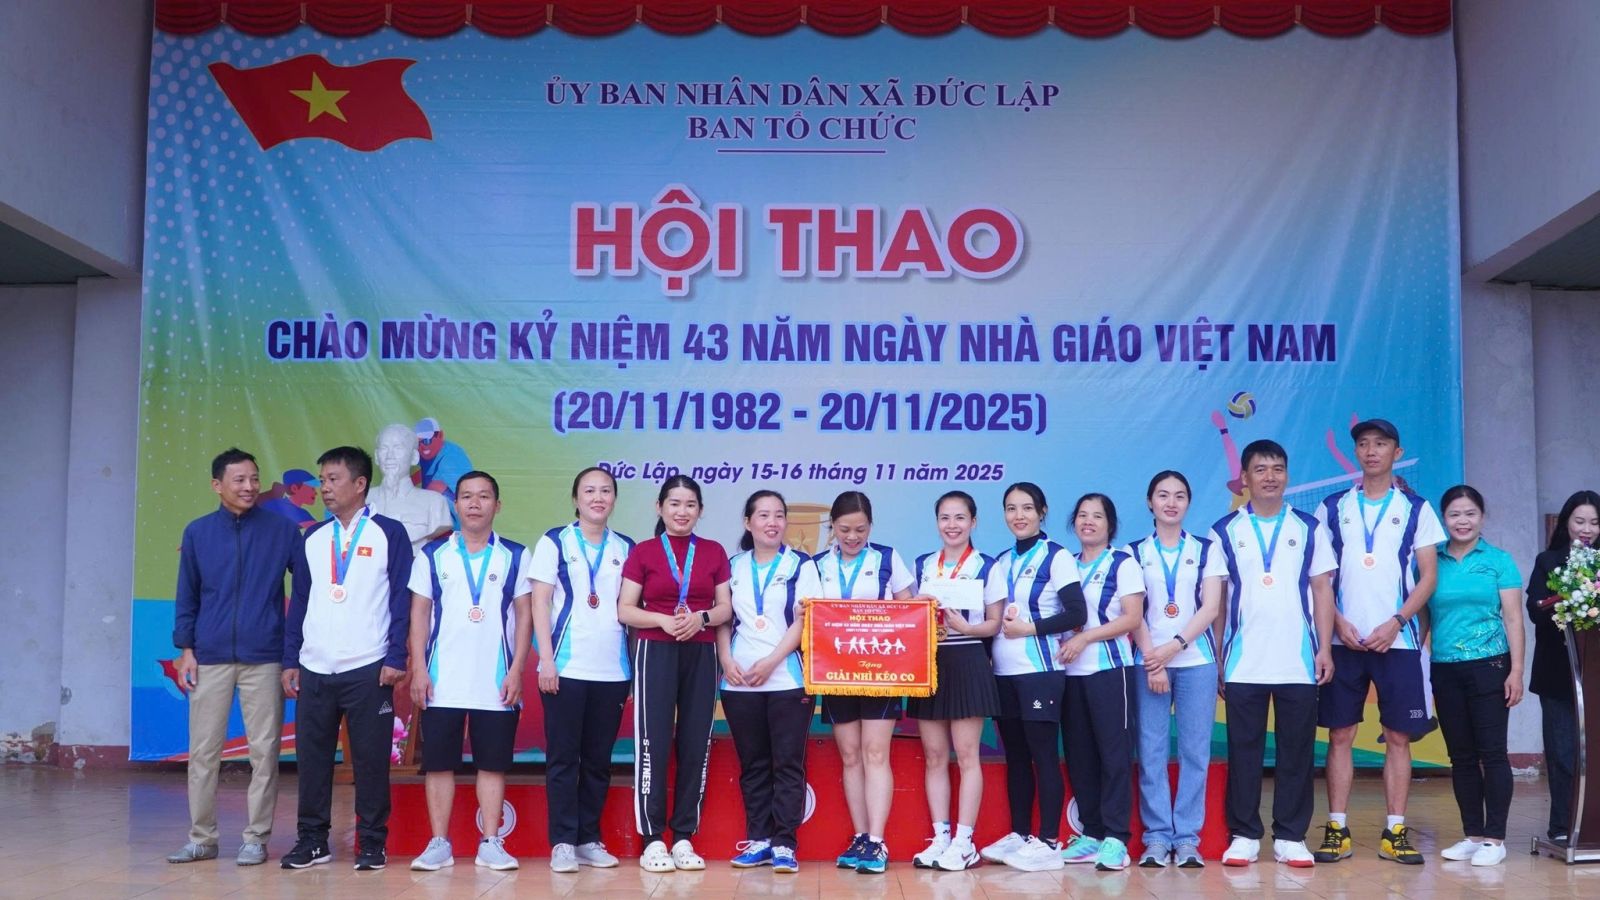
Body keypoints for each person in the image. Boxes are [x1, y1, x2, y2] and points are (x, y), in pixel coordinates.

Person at [1313, 419, 1444, 866]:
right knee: (1341, 734)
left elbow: (1428, 577)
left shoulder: (1416, 508)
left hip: (1398, 641)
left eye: (1381, 444)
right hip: (1343, 640)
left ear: (1396, 452)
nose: (1371, 451)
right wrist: (1337, 622)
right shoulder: (1332, 507)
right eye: (1364, 444)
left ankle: (1395, 832)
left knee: (1398, 736)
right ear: (1356, 452)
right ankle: (1337, 829)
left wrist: (1397, 621)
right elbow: (1320, 577)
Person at [280, 446, 412, 871]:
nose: (325, 487)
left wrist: (396, 655)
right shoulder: (313, 538)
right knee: (312, 759)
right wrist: (291, 659)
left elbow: (401, 599)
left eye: (333, 479)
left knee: (371, 761)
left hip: (368, 666)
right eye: (322, 480)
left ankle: (372, 842)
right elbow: (300, 602)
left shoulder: (389, 533)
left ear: (360, 484)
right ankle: (312, 841)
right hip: (315, 666)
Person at [166, 448, 299, 867]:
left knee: (265, 752)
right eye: (239, 479)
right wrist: (187, 650)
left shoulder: (282, 531)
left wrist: (291, 655)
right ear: (216, 485)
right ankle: (202, 838)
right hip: (210, 657)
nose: (249, 486)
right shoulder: (198, 533)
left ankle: (256, 838)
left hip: (266, 657)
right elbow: (187, 595)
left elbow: (306, 593)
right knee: (203, 752)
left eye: (254, 478)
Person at [1213, 439, 1336, 868]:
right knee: (1243, 751)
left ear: (1287, 476)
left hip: (1297, 660)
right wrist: (1219, 656)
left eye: (1277, 469)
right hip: (1243, 661)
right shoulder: (1225, 530)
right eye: (1260, 469)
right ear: (1244, 478)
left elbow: (1322, 590)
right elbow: (1218, 600)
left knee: (1296, 752)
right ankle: (1244, 834)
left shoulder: (1309, 527)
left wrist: (1325, 647)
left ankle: (1290, 836)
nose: (1270, 477)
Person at [405, 471, 533, 873]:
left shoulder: (515, 555)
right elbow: (419, 614)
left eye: (483, 496)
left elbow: (525, 616)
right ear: (456, 505)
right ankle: (439, 843)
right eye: (466, 496)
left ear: (498, 505)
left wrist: (517, 669)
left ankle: (490, 843)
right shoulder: (432, 555)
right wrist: (419, 668)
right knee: (439, 763)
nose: (475, 504)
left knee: (491, 763)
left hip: (495, 680)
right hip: (442, 680)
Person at [617, 475, 734, 873]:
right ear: (660, 507)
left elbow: (725, 608)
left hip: (701, 651)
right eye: (674, 503)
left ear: (700, 510)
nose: (682, 512)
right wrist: (662, 620)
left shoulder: (714, 551)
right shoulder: (644, 552)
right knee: (653, 742)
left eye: (690, 505)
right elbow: (625, 609)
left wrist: (701, 618)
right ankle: (652, 839)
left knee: (696, 742)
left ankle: (684, 836)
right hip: (655, 650)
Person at [530, 466, 635, 873]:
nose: (597, 498)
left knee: (598, 760)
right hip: (565, 668)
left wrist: (631, 672)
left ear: (614, 499)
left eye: (605, 491)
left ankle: (589, 838)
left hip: (612, 671)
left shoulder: (625, 547)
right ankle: (562, 842)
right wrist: (546, 659)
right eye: (589, 491)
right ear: (576, 499)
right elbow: (540, 602)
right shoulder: (555, 541)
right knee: (563, 758)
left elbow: (630, 611)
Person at [981, 482, 1086, 872]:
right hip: (1004, 673)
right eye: (1011, 508)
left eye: (1027, 508)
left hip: (1040, 672)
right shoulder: (999, 562)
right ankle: (1020, 834)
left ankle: (1049, 841)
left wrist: (1030, 629)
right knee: (1016, 757)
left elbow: (1076, 613)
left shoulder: (1057, 557)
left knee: (1043, 755)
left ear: (1042, 512)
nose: (1019, 516)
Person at [718, 490, 820, 875]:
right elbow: (723, 619)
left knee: (788, 764)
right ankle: (759, 839)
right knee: (753, 765)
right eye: (763, 515)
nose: (772, 522)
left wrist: (772, 661)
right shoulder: (732, 566)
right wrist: (726, 660)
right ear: (748, 522)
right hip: (739, 682)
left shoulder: (801, 565)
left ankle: (784, 844)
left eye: (779, 515)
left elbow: (805, 621)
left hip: (787, 680)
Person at [813, 490, 916, 875]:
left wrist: (922, 606)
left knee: (875, 753)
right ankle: (860, 837)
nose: (852, 537)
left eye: (860, 529)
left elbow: (910, 612)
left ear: (871, 526)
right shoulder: (817, 565)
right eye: (844, 529)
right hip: (836, 673)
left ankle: (877, 840)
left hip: (879, 673)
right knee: (851, 755)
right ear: (832, 527)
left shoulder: (887, 559)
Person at [1127, 471, 1224, 870]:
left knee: (1194, 752)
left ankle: (1186, 839)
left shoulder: (1207, 549)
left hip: (1196, 662)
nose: (1171, 502)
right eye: (1163, 495)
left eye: (1179, 496)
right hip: (1148, 662)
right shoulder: (1133, 552)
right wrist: (1154, 658)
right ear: (1149, 501)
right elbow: (1133, 611)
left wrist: (1174, 647)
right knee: (1150, 750)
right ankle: (1155, 837)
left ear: (1188, 503)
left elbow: (1211, 608)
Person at [1429, 485, 1523, 867]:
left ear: (1482, 517)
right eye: (1454, 514)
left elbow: (1514, 619)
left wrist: (1516, 670)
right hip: (1444, 667)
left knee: (1493, 753)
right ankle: (1472, 835)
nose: (1462, 521)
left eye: (1470, 513)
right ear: (1444, 519)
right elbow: (1424, 615)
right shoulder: (1431, 560)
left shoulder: (1499, 561)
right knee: (1461, 756)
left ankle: (1494, 839)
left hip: (1490, 666)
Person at [907, 491, 1000, 872]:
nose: (952, 525)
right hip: (931, 662)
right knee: (934, 756)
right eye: (945, 517)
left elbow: (994, 623)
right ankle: (941, 837)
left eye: (960, 518)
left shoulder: (986, 565)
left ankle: (965, 841)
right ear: (936, 522)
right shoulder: (923, 565)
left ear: (973, 522)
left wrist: (967, 627)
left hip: (969, 658)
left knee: (966, 755)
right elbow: (907, 617)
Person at [1057, 493, 1145, 872]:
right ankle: (1091, 835)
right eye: (1082, 515)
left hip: (1110, 671)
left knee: (1114, 756)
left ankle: (1116, 839)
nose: (1088, 522)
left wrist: (1085, 638)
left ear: (1110, 524)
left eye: (1097, 516)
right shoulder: (1064, 564)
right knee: (1080, 757)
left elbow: (1132, 618)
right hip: (1069, 675)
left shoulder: (1122, 563)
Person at [1526, 489, 1600, 845]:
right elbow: (1535, 609)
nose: (1586, 529)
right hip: (1558, 673)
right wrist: (1567, 603)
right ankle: (1562, 825)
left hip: (1596, 674)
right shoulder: (1548, 561)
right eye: (1580, 521)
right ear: (1566, 522)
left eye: (1594, 523)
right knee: (1563, 752)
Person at [369, 423, 452, 551]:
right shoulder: (362, 500)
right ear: (376, 456)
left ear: (414, 457)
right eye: (384, 448)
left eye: (398, 447)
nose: (389, 456)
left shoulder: (435, 502)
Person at [415, 417, 473, 504]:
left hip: (461, 506)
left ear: (440, 435)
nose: (422, 447)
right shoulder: (425, 454)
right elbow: (424, 472)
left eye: (427, 441)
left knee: (435, 487)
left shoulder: (452, 457)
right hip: (435, 503)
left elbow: (466, 496)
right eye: (418, 443)